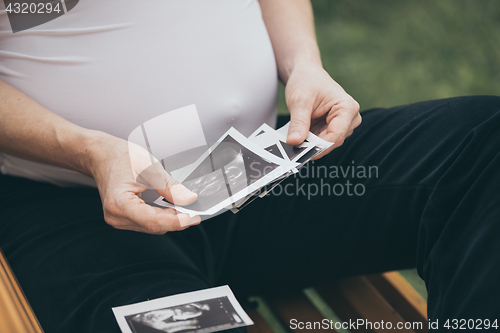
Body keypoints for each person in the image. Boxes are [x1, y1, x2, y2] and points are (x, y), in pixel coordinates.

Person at [0, 0, 498, 332]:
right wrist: (86, 148)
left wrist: (304, 62)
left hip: (255, 167)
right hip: (75, 207)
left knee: (483, 142)